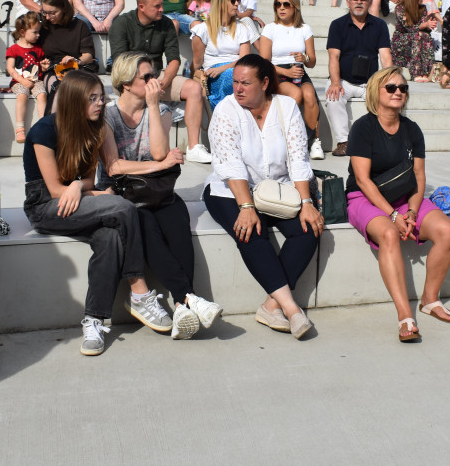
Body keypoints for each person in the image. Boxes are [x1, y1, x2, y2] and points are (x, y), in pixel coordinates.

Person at [24, 69, 171, 356]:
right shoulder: (43, 130)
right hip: (45, 206)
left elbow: (89, 181)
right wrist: (84, 192)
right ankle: (139, 291)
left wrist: (80, 187)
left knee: (110, 237)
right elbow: (54, 189)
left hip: (76, 201)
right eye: (92, 99)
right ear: (73, 101)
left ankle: (94, 319)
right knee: (122, 207)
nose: (100, 103)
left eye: (101, 98)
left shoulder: (96, 128)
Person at [97, 54, 223, 339]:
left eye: (153, 75)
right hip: (123, 193)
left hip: (156, 190)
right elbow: (114, 166)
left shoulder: (162, 110)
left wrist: (153, 106)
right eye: (146, 77)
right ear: (126, 84)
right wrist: (161, 165)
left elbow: (157, 151)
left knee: (177, 219)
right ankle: (189, 297)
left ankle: (181, 305)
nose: (154, 82)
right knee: (147, 226)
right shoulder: (108, 115)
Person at [202, 55, 321, 339]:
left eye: (245, 83)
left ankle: (270, 305)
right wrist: (245, 206)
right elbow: (230, 164)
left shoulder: (287, 106)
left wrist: (306, 204)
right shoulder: (226, 110)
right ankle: (291, 309)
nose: (237, 89)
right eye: (235, 82)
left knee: (309, 229)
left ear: (265, 82)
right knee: (251, 232)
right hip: (229, 190)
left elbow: (298, 158)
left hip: (276, 190)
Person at [346, 67, 450, 340]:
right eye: (391, 88)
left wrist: (411, 211)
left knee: (446, 230)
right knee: (388, 233)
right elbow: (362, 180)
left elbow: (419, 178)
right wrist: (393, 216)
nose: (399, 92)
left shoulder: (412, 129)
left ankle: (430, 300)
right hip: (364, 197)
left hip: (404, 198)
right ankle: (404, 315)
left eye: (403, 88)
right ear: (376, 92)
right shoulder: (363, 128)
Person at [108, 0, 212, 163]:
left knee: (194, 88)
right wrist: (145, 83)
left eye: (162, 5)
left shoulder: (166, 23)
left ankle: (193, 147)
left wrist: (163, 83)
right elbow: (121, 64)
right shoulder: (121, 24)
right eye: (157, 6)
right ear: (141, 6)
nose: (162, 9)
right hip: (131, 78)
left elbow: (174, 60)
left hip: (158, 75)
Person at [325, 0, 393, 156]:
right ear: (348, 2)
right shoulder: (337, 25)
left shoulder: (380, 25)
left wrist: (388, 82)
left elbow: (385, 57)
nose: (359, 3)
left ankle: (381, 141)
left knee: (387, 97)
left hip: (370, 82)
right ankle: (343, 142)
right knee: (333, 97)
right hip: (343, 80)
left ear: (370, 2)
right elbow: (333, 56)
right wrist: (335, 83)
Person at [258, 0, 323, 160]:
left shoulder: (304, 29)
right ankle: (284, 139)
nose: (281, 8)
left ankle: (313, 141)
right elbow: (265, 62)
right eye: (278, 4)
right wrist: (286, 71)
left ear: (295, 7)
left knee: (309, 94)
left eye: (286, 4)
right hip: (276, 72)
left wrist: (305, 57)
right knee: (296, 93)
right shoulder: (270, 29)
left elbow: (313, 62)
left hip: (299, 70)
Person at [192, 0, 254, 108]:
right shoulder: (203, 29)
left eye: (238, 0)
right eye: (233, 0)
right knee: (232, 76)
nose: (237, 4)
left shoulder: (242, 28)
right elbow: (197, 62)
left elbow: (245, 60)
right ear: (220, 3)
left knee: (241, 75)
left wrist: (223, 68)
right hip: (213, 73)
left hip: (237, 70)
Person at [36, 0, 98, 82]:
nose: (48, 17)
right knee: (55, 85)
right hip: (51, 69)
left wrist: (76, 61)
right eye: (45, 13)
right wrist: (40, 64)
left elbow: (88, 55)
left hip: (75, 68)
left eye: (52, 13)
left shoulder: (80, 26)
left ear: (64, 9)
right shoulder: (43, 27)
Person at [6, 13, 48, 143]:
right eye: (35, 32)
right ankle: (20, 129)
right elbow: (10, 68)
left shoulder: (39, 49)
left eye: (39, 32)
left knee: (42, 94)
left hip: (36, 80)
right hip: (19, 81)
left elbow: (40, 67)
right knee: (22, 95)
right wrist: (22, 80)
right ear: (23, 32)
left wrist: (44, 66)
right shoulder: (13, 49)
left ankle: (43, 124)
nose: (38, 35)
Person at [391, 0, 440, 83]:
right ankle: (416, 72)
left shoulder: (423, 8)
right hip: (401, 40)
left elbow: (424, 29)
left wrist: (430, 25)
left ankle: (426, 72)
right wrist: (425, 24)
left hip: (417, 38)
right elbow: (409, 27)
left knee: (425, 35)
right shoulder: (400, 8)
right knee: (418, 35)